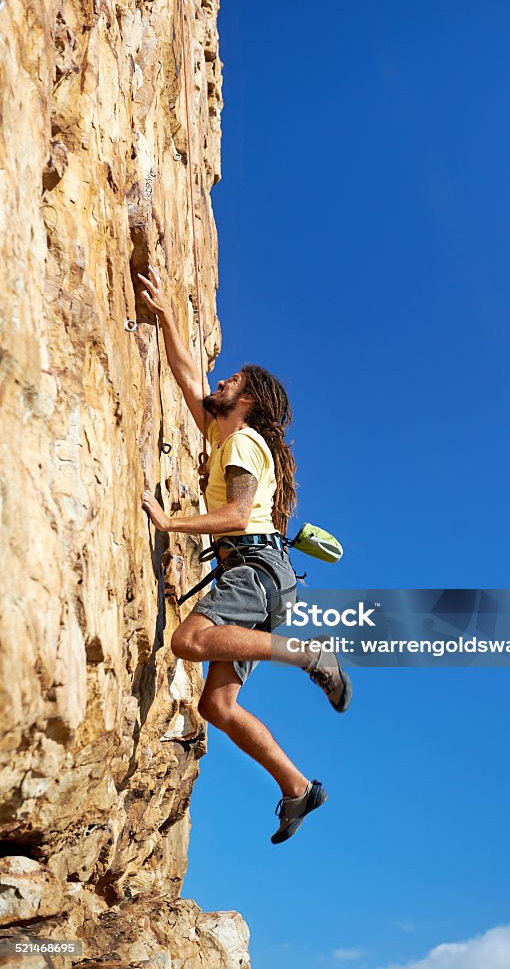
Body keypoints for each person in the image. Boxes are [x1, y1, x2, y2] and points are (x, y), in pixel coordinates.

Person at [137, 266, 351, 844]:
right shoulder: (223, 431)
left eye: (230, 380)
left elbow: (234, 516)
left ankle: (309, 654)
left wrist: (170, 521)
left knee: (187, 641)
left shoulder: (242, 440)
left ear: (248, 399)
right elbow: (187, 374)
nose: (219, 381)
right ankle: (297, 788)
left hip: (254, 570)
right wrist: (164, 316)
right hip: (266, 579)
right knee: (219, 706)